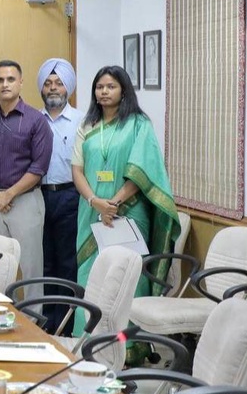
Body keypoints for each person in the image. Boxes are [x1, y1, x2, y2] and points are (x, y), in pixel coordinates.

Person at [71, 65, 179, 335]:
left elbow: (143, 170)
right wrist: (95, 201)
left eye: (111, 86)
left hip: (128, 212)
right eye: (99, 87)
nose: (104, 91)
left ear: (123, 90)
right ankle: (87, 338)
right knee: (91, 274)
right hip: (91, 212)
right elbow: (77, 170)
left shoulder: (139, 124)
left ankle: (127, 344)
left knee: (127, 275)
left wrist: (114, 204)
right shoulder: (87, 126)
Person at [0, 60, 52, 301]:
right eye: (0, 80)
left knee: (30, 266)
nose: (5, 84)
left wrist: (9, 194)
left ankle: (33, 319)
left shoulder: (36, 120)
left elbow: (39, 168)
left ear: (21, 82)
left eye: (10, 79)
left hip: (25, 201)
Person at [37, 58, 82, 333]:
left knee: (67, 262)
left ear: (69, 88)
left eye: (59, 83)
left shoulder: (82, 121)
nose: (53, 88)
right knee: (44, 262)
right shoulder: (32, 119)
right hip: (37, 197)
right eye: (48, 83)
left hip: (70, 197)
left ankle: (65, 326)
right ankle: (45, 323)